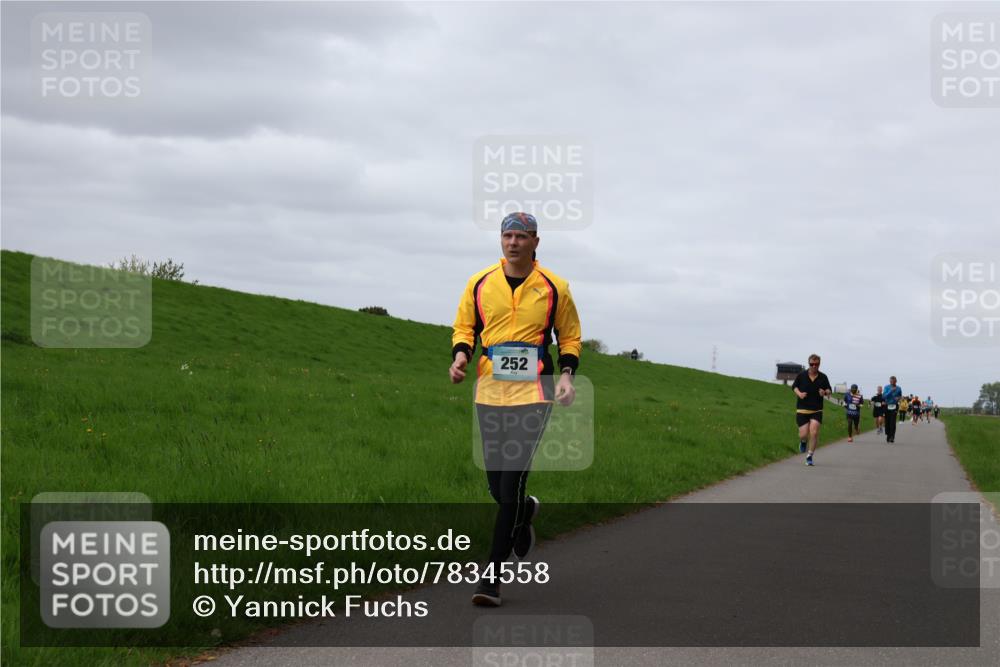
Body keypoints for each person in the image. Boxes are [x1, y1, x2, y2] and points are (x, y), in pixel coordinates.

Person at [450, 211, 581, 607]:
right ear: (500, 240)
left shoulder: (555, 287)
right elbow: (464, 328)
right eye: (508, 236)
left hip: (534, 395)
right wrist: (460, 356)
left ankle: (490, 578)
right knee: (496, 486)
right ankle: (525, 513)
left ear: (536, 242)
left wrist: (566, 374)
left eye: (522, 236)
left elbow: (569, 336)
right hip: (489, 392)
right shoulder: (479, 283)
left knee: (509, 487)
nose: (513, 243)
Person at [792, 354, 832, 466]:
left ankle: (809, 456)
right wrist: (799, 394)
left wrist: (825, 392)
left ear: (819, 364)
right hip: (802, 409)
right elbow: (794, 387)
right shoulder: (801, 375)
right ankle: (803, 441)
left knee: (814, 432)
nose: (814, 366)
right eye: (812, 364)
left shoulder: (823, 377)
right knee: (803, 434)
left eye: (816, 364)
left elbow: (829, 390)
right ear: (808, 364)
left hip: (817, 410)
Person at [883, 376, 903, 443]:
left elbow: (900, 396)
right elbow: (884, 396)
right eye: (891, 381)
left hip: (894, 406)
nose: (892, 382)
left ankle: (892, 437)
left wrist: (899, 398)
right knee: (887, 421)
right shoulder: (886, 387)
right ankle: (888, 435)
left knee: (893, 422)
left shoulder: (899, 388)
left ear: (896, 381)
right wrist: (890, 391)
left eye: (893, 381)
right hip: (887, 405)